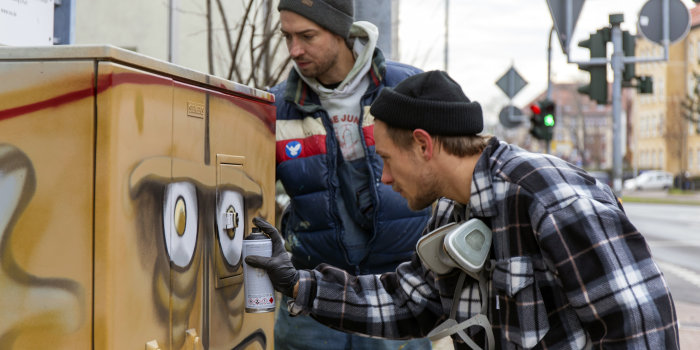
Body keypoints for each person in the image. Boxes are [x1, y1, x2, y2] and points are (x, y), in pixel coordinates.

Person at [248, 70, 680, 349]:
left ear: (423, 145)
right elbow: (409, 303)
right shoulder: (453, 209)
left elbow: (643, 333)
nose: (384, 178)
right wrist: (300, 284)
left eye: (387, 160)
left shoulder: (549, 198)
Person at [269, 0, 431, 348]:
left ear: (340, 29)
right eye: (287, 37)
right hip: (311, 293)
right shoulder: (277, 108)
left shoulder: (406, 89)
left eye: (307, 36)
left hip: (396, 292)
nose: (295, 50)